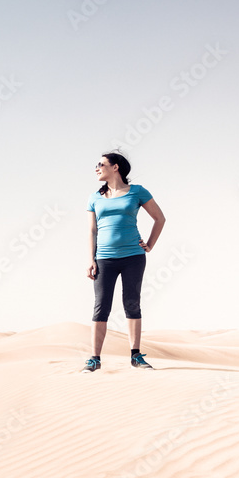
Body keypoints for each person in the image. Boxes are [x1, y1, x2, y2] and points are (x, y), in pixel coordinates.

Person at [82, 151, 165, 372]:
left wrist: (150, 244)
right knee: (101, 307)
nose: (96, 168)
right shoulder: (95, 197)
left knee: (132, 303)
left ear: (116, 167)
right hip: (104, 259)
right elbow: (92, 230)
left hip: (133, 257)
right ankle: (94, 359)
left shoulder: (137, 192)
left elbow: (160, 218)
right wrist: (91, 258)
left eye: (101, 164)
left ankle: (135, 356)